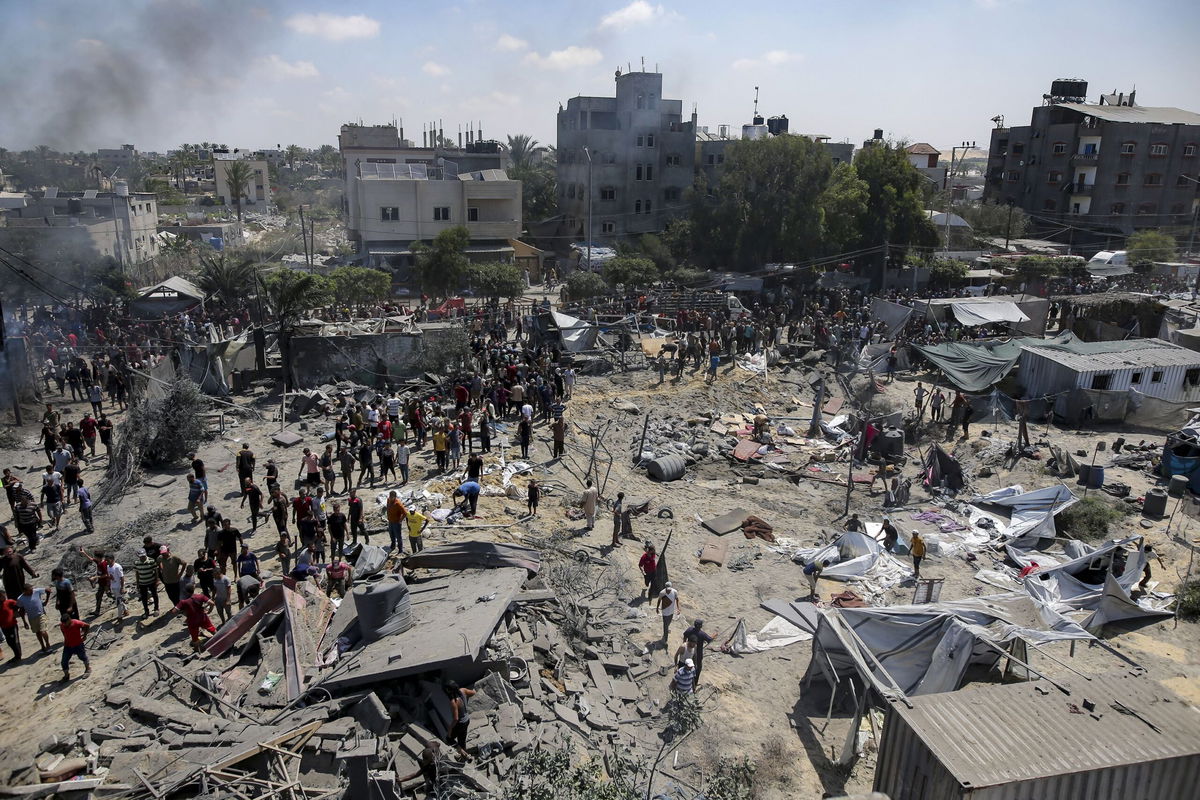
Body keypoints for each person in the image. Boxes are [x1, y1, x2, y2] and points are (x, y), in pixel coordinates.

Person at [444, 681, 476, 758]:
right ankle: (466, 755)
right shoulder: (463, 690)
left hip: (460, 723)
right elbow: (473, 692)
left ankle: (461, 751)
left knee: (449, 739)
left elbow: (456, 718)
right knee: (462, 739)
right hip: (467, 720)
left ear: (449, 691)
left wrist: (450, 729)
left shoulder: (454, 702)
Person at [17, 584, 51, 651]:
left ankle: (47, 644)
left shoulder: (37, 591)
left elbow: (48, 590)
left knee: (43, 631)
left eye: (32, 589)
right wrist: (24, 622)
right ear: (24, 591)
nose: (32, 591)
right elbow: (21, 611)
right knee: (37, 632)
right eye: (30, 590)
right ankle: (42, 646)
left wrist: (46, 601)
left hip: (41, 614)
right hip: (31, 618)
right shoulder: (20, 599)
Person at [59, 613, 91, 681]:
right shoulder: (62, 625)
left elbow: (87, 625)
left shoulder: (76, 623)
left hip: (78, 644)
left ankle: (88, 668)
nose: (65, 625)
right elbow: (63, 631)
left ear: (69, 620)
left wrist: (85, 635)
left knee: (82, 656)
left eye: (66, 623)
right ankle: (66, 675)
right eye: (63, 623)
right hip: (67, 645)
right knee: (64, 661)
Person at [133, 552, 160, 617]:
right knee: (144, 598)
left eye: (144, 556)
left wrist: (157, 580)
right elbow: (137, 573)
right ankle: (146, 611)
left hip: (151, 581)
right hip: (142, 583)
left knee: (154, 595)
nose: (143, 558)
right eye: (141, 556)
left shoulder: (151, 561)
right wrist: (137, 583)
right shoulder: (136, 563)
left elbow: (156, 571)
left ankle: (156, 609)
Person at [0, 590, 22, 661]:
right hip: (4, 627)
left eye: (4, 595)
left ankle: (18, 656)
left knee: (15, 641)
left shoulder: (9, 602)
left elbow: (18, 605)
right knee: (9, 642)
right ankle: (16, 654)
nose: (3, 597)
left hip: (12, 625)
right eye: (1, 596)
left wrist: (16, 613)